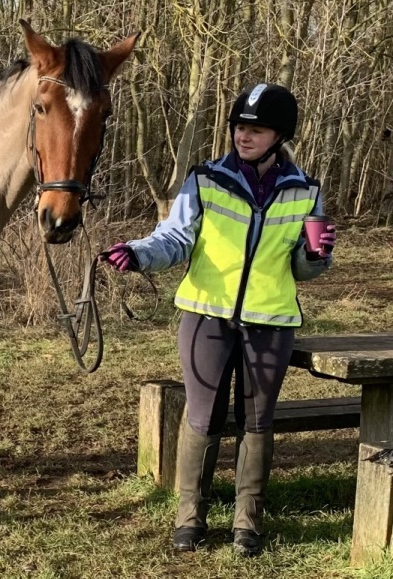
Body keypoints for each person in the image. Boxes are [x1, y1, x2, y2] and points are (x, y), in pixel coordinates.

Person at [104, 83, 336, 557]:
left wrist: (317, 255)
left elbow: (305, 268)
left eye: (257, 128)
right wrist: (139, 253)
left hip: (271, 321)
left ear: (279, 135)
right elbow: (174, 238)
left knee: (257, 422)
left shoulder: (306, 190)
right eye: (239, 126)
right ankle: (190, 519)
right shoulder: (205, 179)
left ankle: (247, 524)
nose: (244, 135)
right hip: (206, 316)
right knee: (202, 416)